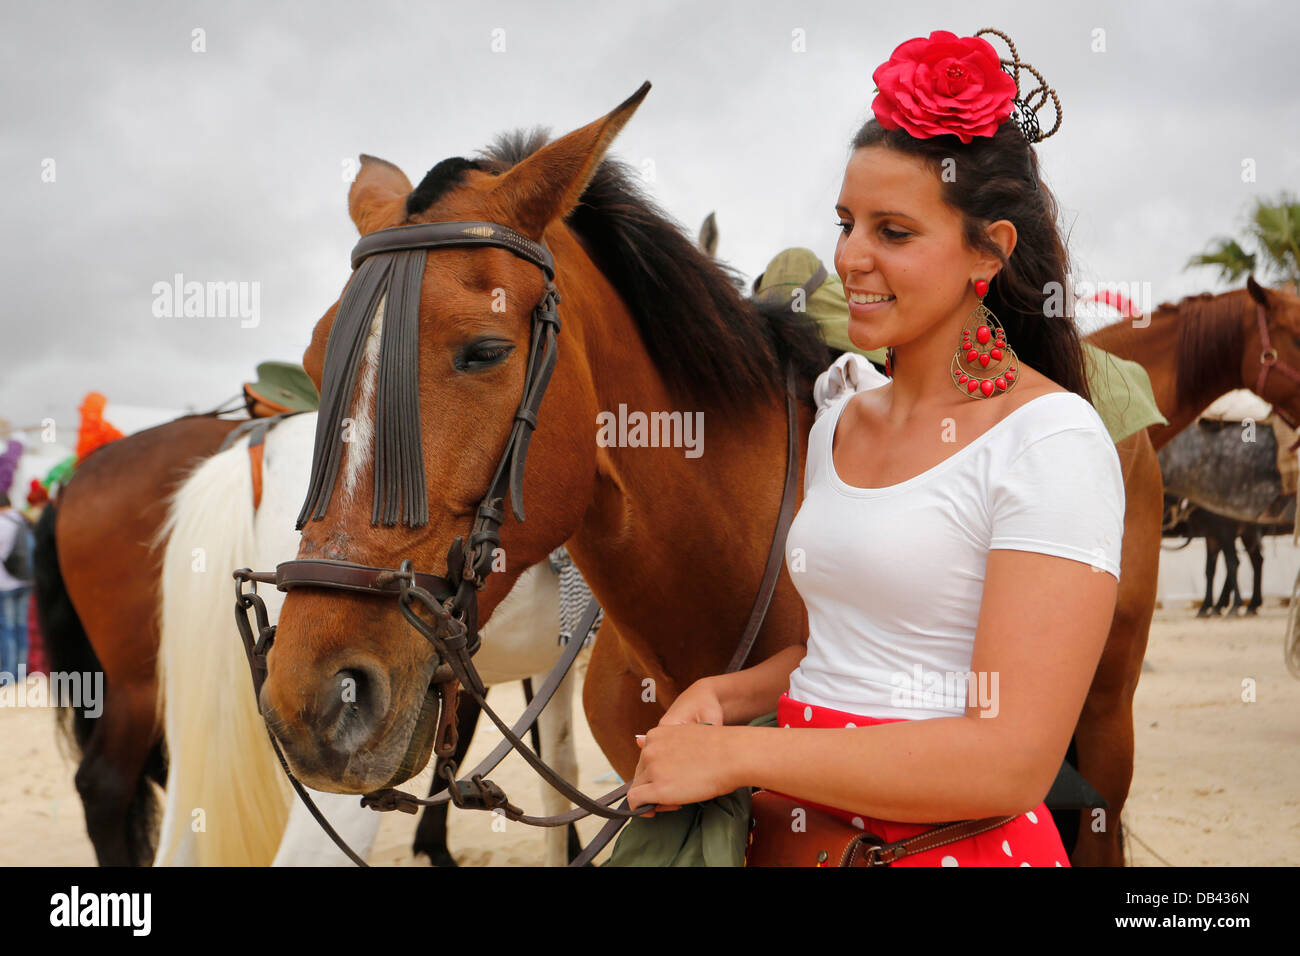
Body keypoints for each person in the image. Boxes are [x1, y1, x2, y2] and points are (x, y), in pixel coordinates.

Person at [626, 29, 1125, 866]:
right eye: (847, 222)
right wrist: (729, 693)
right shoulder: (841, 417)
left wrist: (743, 753)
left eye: (893, 232)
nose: (850, 257)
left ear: (990, 252)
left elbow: (1011, 761)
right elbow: (848, 652)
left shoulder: (1049, 443)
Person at [1, 492, 35, 678]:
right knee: (21, 627)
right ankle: (22, 672)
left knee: (7, 629)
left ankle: (9, 674)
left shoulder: (1, 523)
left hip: (5, 583)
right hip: (26, 579)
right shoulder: (21, 520)